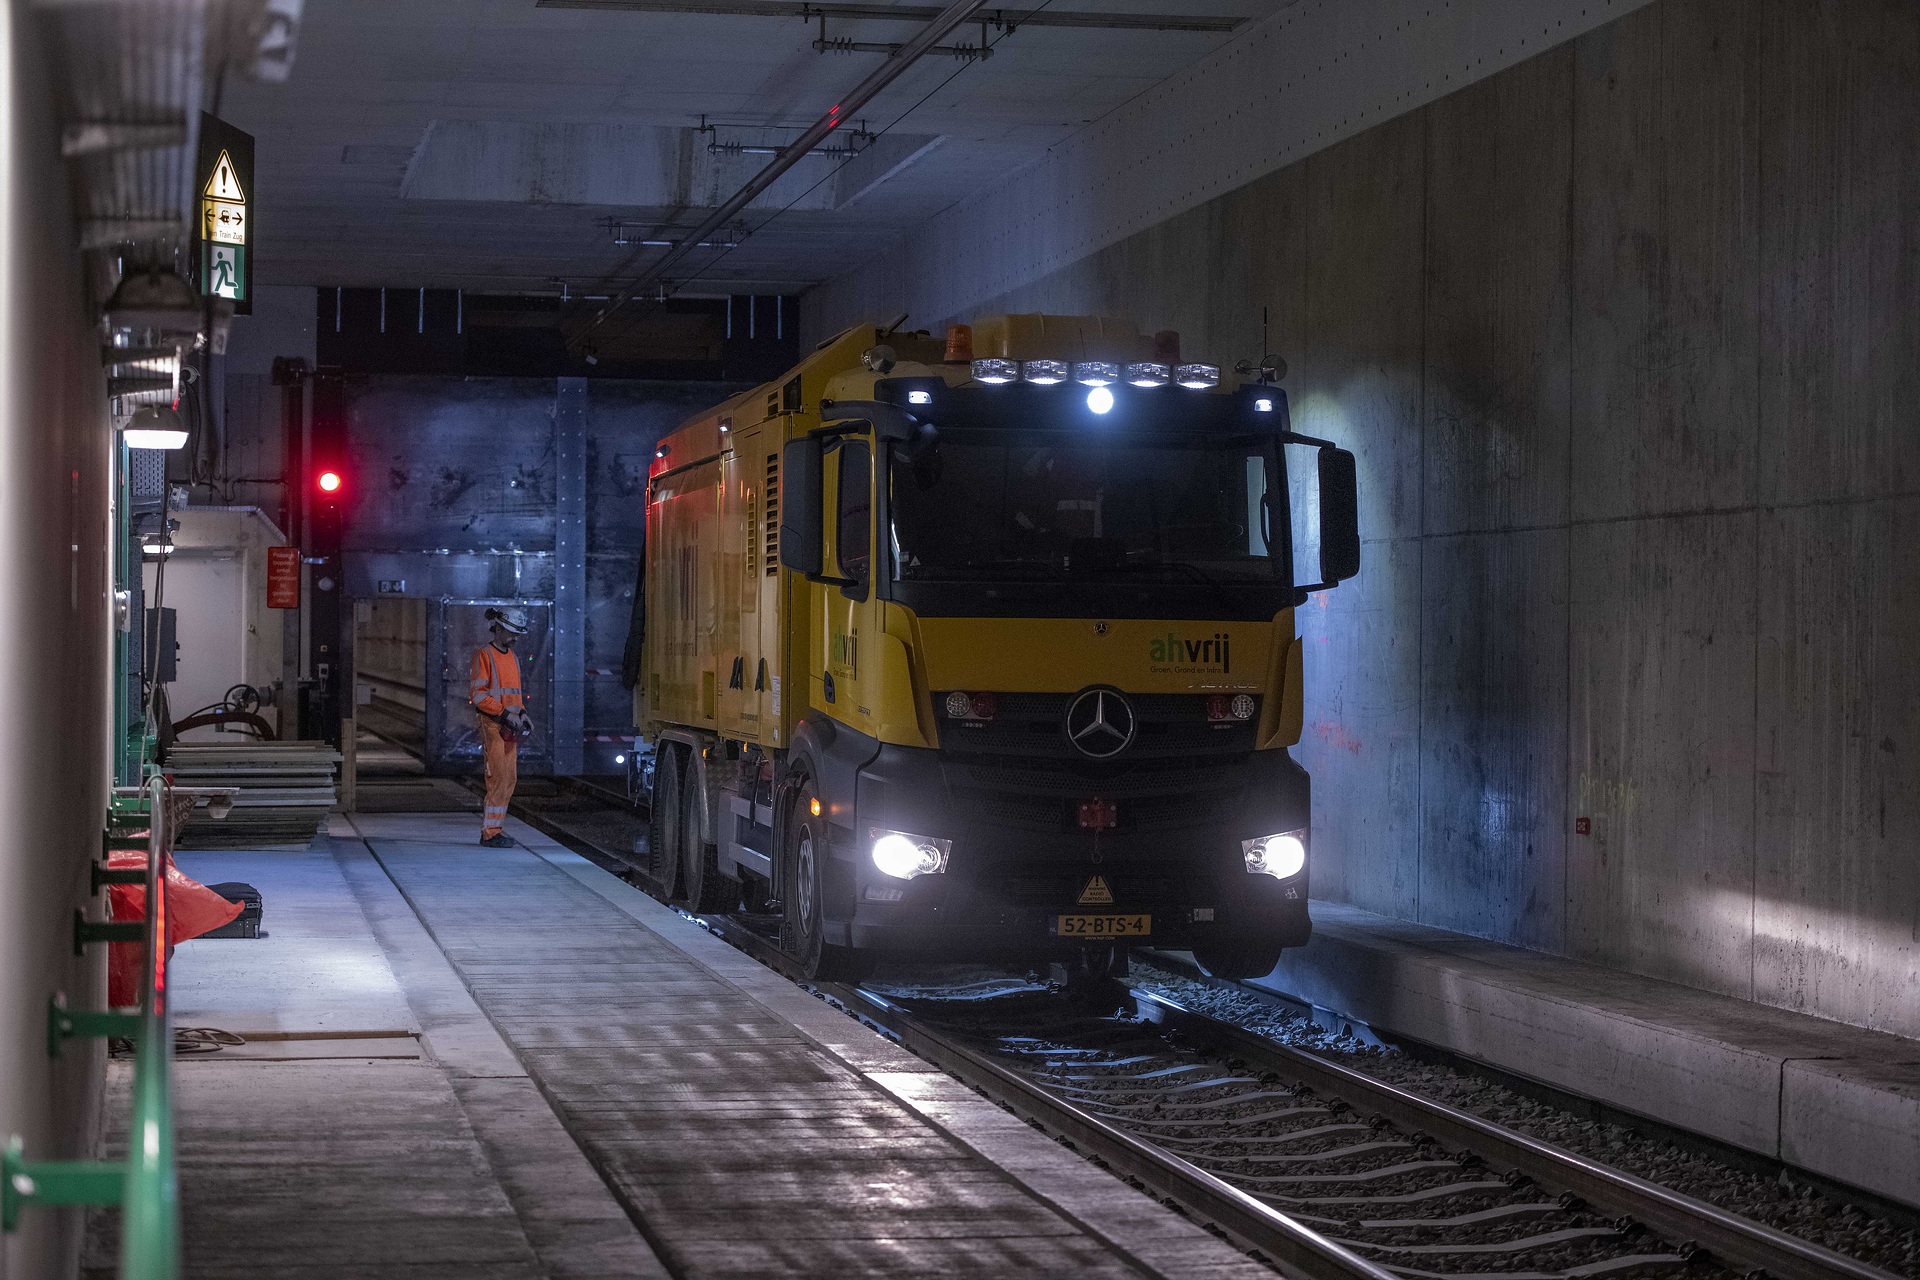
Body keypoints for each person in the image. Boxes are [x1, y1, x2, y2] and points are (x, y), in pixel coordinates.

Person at [471, 606, 533, 847]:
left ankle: (495, 829)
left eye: (517, 634)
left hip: (510, 725)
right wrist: (505, 713)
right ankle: (490, 833)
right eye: (510, 633)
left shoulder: (513, 658)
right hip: (493, 724)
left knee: (509, 778)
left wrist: (523, 713)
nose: (514, 638)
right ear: (497, 628)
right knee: (497, 777)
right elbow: (478, 695)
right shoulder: (484, 656)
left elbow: (514, 693)